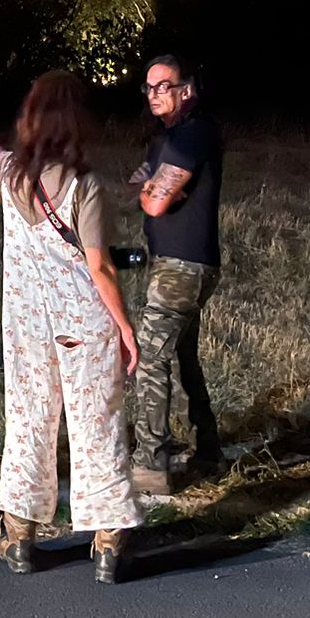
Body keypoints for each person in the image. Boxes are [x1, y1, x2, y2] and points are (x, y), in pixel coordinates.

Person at [0, 71, 142, 585]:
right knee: (95, 426)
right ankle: (106, 544)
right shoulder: (87, 186)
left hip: (27, 326)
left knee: (30, 422)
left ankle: (19, 536)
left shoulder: (12, 174)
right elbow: (100, 268)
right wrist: (125, 327)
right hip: (83, 323)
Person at [130, 53, 226, 495]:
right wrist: (156, 184)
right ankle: (209, 448)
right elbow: (140, 183)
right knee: (184, 356)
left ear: (186, 89)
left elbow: (152, 201)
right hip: (177, 263)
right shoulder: (167, 139)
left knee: (150, 357)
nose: (154, 94)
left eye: (162, 86)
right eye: (148, 87)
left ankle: (150, 464)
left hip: (183, 267)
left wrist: (155, 187)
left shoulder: (192, 135)